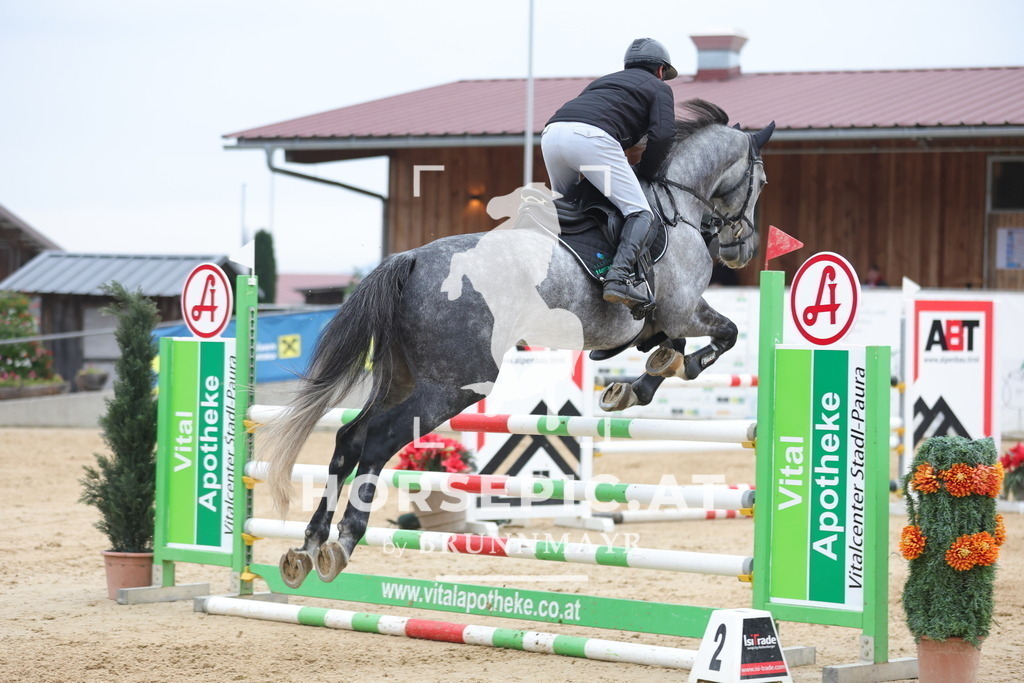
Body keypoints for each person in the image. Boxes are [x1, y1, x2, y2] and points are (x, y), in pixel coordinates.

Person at [541, 37, 678, 311]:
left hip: (552, 134)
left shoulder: (602, 82)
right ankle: (618, 277)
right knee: (640, 213)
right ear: (661, 70)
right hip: (592, 139)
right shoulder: (658, 87)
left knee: (566, 209)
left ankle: (551, 272)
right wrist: (648, 172)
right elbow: (663, 135)